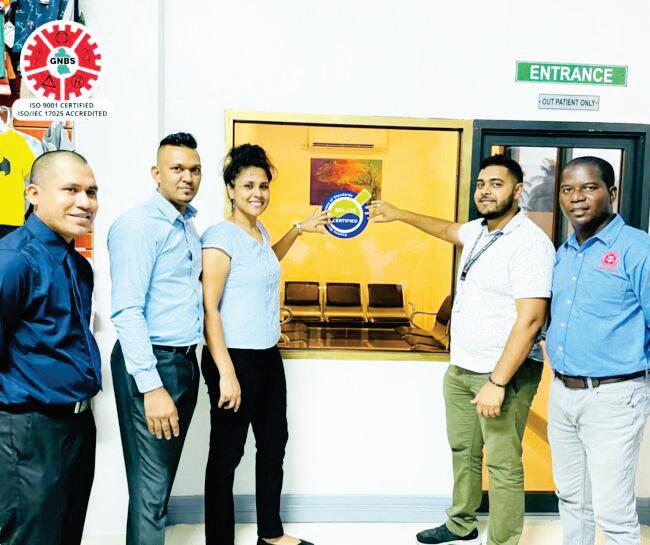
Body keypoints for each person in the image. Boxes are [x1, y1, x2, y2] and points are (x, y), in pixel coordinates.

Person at [369, 154, 556, 545]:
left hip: (503, 373)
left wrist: (497, 383)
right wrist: (399, 214)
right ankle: (461, 523)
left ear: (518, 191)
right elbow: (446, 229)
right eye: (481, 184)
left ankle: (502, 541)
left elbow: (531, 321)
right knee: (464, 451)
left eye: (497, 184)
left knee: (502, 463)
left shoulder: (529, 243)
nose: (485, 191)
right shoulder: (479, 231)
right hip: (463, 368)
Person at [201, 143, 328, 545]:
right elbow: (209, 308)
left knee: (274, 445)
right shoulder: (220, 236)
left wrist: (298, 230)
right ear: (230, 189)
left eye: (263, 185)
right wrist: (226, 373)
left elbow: (263, 262)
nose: (258, 193)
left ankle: (270, 534)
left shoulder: (259, 232)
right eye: (248, 185)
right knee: (227, 456)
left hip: (267, 356)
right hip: (233, 359)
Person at [546, 156, 650, 545]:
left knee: (613, 512)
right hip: (563, 392)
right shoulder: (565, 252)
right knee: (572, 498)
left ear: (612, 193)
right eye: (568, 189)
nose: (577, 197)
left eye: (589, 188)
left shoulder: (638, 249)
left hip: (614, 396)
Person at [0, 150, 101, 545]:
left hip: (76, 426)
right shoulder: (13, 260)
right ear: (34, 194)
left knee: (66, 534)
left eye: (91, 192)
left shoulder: (78, 266)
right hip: (28, 431)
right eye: (71, 190)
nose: (85, 202)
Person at [108, 132, 203, 545]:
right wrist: (151, 386)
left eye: (194, 169)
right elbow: (127, 311)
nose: (187, 177)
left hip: (183, 361)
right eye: (177, 168)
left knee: (157, 488)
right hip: (152, 364)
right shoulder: (138, 226)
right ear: (156, 173)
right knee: (151, 491)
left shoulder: (186, 224)